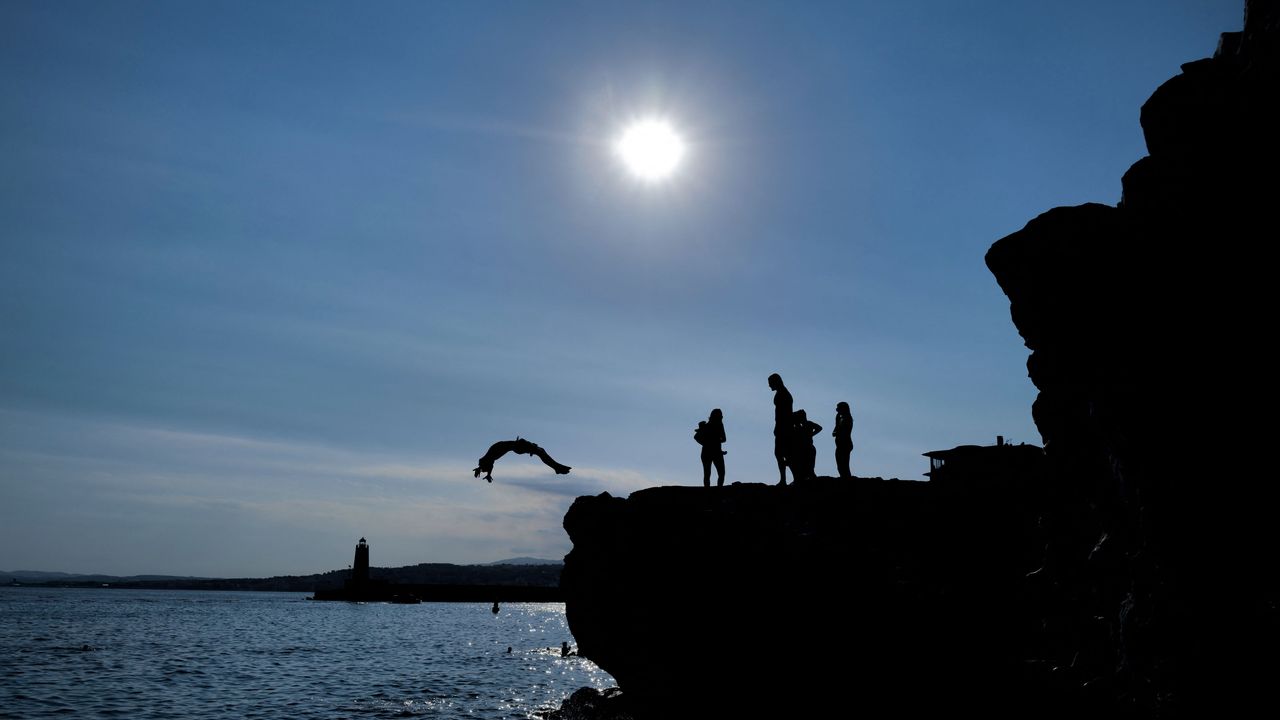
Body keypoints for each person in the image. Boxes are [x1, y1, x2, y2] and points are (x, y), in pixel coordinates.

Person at [768, 373, 794, 485]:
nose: (769, 386)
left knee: (784, 454)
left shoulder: (783, 394)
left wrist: (779, 426)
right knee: (781, 454)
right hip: (782, 426)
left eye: (770, 383)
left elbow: (784, 414)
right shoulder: (782, 393)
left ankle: (789, 478)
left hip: (784, 427)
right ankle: (784, 479)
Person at [695, 409, 727, 487]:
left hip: (713, 452)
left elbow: (724, 439)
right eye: (720, 416)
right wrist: (708, 443)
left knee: (718, 473)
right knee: (709, 473)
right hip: (711, 452)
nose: (721, 418)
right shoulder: (707, 426)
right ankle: (709, 491)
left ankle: (717, 489)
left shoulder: (717, 425)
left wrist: (709, 442)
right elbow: (696, 437)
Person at [791, 409, 822, 481]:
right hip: (803, 449)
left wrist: (811, 434)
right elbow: (819, 428)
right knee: (806, 468)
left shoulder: (806, 424)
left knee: (809, 468)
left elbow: (819, 428)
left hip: (807, 449)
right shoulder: (800, 426)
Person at [833, 401, 853, 478]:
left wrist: (837, 433)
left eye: (838, 408)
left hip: (845, 444)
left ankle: (846, 480)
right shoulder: (841, 418)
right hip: (840, 444)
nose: (836, 410)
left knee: (844, 465)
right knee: (840, 465)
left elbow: (844, 431)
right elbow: (836, 429)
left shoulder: (847, 418)